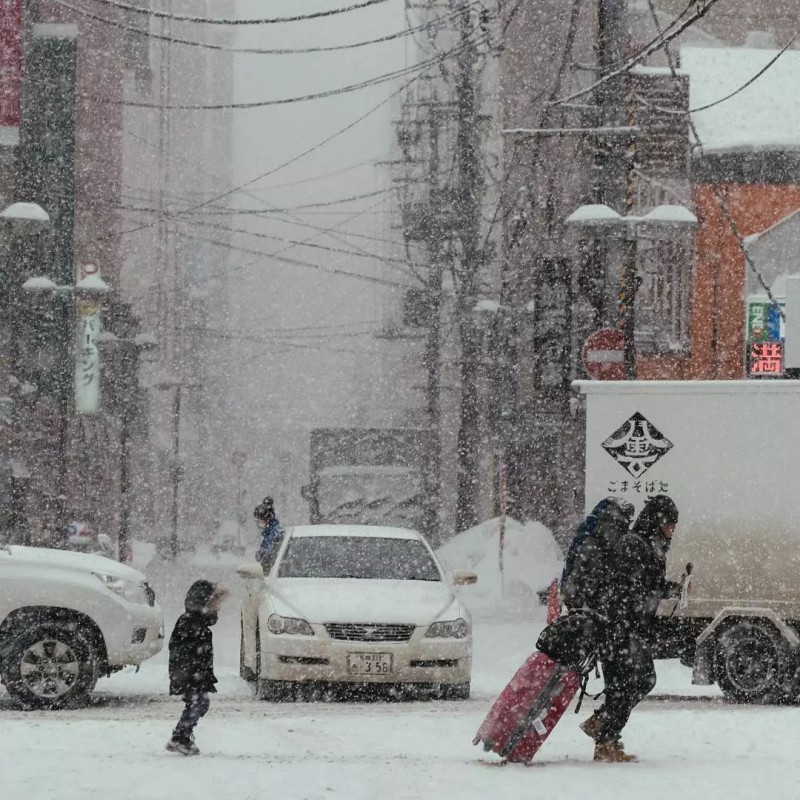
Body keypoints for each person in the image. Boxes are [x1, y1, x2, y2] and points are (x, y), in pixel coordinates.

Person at [578, 494, 681, 763]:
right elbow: (622, 588)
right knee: (635, 681)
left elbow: (645, 584)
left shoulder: (648, 544)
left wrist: (671, 588)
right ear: (658, 521)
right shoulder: (635, 544)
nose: (672, 529)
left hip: (627, 629)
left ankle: (605, 732)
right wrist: (623, 626)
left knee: (627, 684)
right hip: (618, 629)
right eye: (670, 523)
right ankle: (604, 736)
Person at [166, 580, 229, 756]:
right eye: (216, 604)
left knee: (198, 704)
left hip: (194, 674)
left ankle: (181, 736)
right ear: (203, 604)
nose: (218, 609)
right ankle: (180, 737)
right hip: (189, 674)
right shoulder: (190, 623)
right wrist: (192, 673)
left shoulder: (199, 624)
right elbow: (182, 651)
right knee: (198, 703)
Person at [254, 496, 284, 570]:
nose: (258, 523)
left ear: (267, 519)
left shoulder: (275, 532)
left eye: (259, 520)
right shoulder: (268, 532)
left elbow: (270, 554)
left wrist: (261, 554)